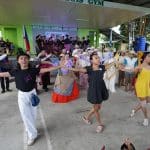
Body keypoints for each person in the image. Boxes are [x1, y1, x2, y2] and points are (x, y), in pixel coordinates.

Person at [0, 52, 62, 146]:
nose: (24, 60)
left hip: (32, 94)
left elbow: (47, 69)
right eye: (21, 58)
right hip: (22, 95)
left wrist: (59, 66)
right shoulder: (15, 71)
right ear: (18, 61)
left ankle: (30, 128)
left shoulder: (33, 70)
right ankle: (32, 135)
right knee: (25, 115)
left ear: (28, 60)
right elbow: (3, 74)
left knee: (33, 114)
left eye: (25, 58)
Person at [66, 52, 111, 133]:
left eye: (98, 57)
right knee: (96, 109)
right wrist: (68, 67)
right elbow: (78, 69)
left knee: (97, 107)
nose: (98, 59)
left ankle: (86, 117)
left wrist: (115, 62)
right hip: (94, 90)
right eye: (96, 58)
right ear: (91, 61)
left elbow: (108, 66)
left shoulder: (102, 67)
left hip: (101, 89)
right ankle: (100, 124)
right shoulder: (89, 69)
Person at [129, 53, 150, 126]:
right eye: (149, 56)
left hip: (147, 86)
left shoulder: (149, 67)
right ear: (145, 57)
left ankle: (134, 110)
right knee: (144, 103)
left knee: (147, 101)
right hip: (140, 86)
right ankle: (146, 119)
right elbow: (134, 75)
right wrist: (132, 86)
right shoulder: (139, 67)